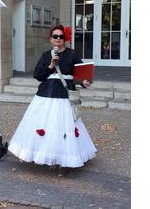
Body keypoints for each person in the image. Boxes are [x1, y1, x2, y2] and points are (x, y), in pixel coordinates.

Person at [8, 25, 96, 174]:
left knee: (63, 128)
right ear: (51, 39)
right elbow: (38, 75)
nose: (58, 39)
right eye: (55, 36)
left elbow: (81, 75)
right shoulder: (45, 55)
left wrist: (85, 82)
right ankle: (48, 157)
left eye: (61, 37)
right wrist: (51, 65)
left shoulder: (72, 54)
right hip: (46, 96)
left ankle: (64, 162)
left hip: (64, 96)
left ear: (65, 39)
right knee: (46, 127)